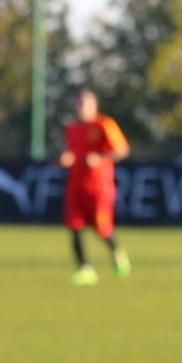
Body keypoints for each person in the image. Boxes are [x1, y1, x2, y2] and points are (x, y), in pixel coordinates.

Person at [58, 89, 131, 286]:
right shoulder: (72, 128)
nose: (80, 107)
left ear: (94, 105)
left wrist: (100, 158)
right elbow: (71, 152)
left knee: (102, 228)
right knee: (75, 227)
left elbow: (122, 149)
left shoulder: (104, 125)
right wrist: (67, 158)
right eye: (78, 103)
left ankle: (117, 251)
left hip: (99, 187)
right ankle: (85, 269)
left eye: (84, 103)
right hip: (76, 185)